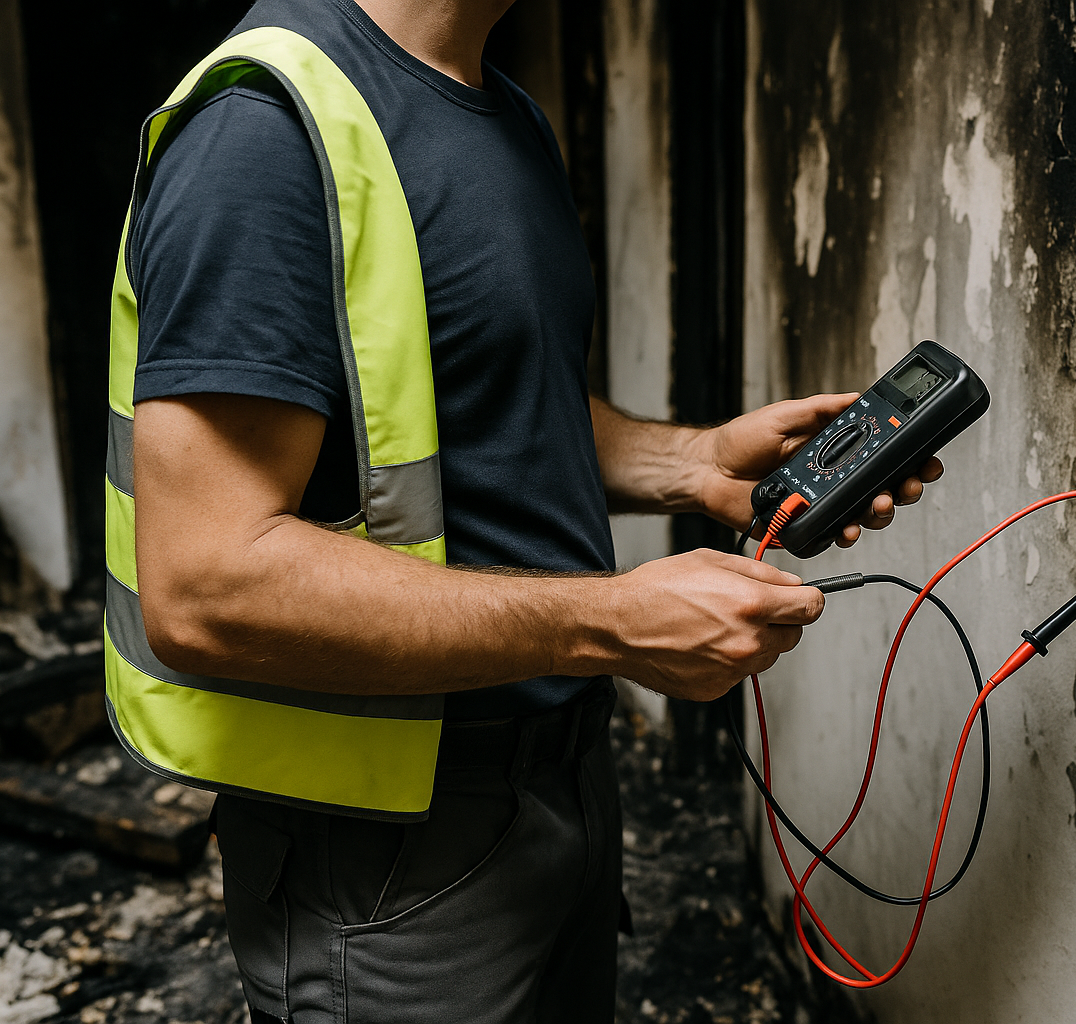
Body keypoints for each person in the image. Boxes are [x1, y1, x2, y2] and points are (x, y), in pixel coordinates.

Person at [113, 0, 941, 1020]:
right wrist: (609, 622)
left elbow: (491, 395)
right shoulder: (264, 135)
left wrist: (692, 463)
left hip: (561, 778)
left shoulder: (502, 111)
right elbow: (208, 586)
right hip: (388, 857)